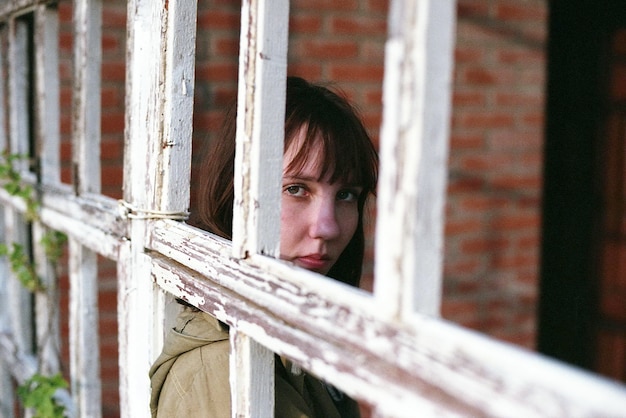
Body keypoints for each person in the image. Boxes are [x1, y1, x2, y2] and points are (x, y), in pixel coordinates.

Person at [149, 76, 379, 418]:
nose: (328, 227)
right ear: (236, 193)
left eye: (346, 195)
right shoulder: (226, 375)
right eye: (297, 189)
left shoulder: (298, 335)